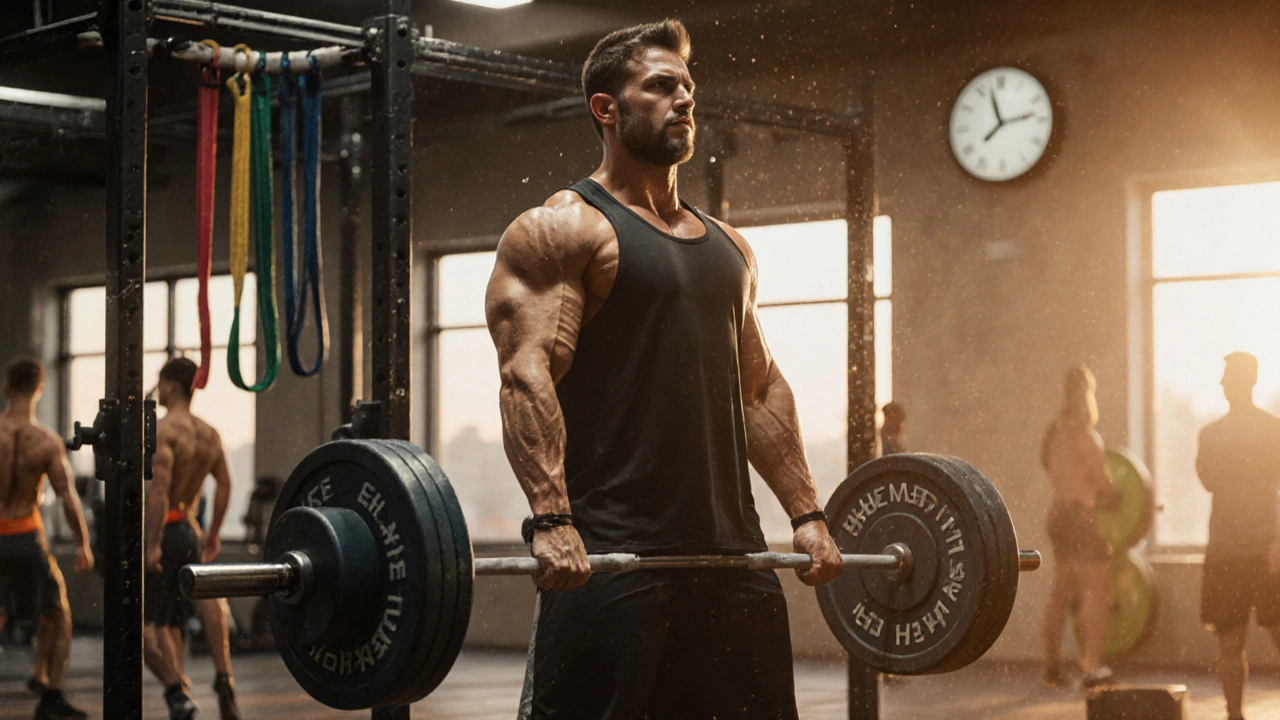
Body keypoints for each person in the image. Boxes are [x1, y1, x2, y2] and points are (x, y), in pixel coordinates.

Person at [485, 19, 842, 719]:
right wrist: (552, 519)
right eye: (660, 86)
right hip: (613, 560)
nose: (684, 100)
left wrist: (807, 515)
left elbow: (759, 391)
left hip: (733, 559)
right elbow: (527, 375)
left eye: (687, 87)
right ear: (606, 109)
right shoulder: (565, 228)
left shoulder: (730, 247)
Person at [143, 358, 241, 720]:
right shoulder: (209, 433)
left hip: (167, 529)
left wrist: (152, 543)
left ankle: (179, 693)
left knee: (154, 625)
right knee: (188, 611)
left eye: (161, 383)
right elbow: (225, 484)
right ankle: (223, 675)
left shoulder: (165, 430)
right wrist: (213, 532)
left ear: (171, 385)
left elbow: (159, 492)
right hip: (191, 530)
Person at [0, 358, 94, 720]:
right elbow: (68, 496)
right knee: (57, 615)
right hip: (27, 537)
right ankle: (52, 697)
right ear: (39, 390)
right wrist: (83, 544)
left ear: (7, 388)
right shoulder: (46, 441)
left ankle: (42, 682)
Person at [1196, 352, 1280, 720]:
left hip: (1265, 549)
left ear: (1246, 380)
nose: (1221, 382)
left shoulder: (1272, 430)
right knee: (1230, 642)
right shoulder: (1211, 435)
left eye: (1228, 375)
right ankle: (1234, 716)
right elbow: (1209, 481)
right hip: (1229, 550)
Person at [1039, 364, 1116, 689]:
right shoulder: (1088, 438)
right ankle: (1092, 668)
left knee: (1061, 593)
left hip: (1057, 516)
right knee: (1096, 592)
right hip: (1081, 517)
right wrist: (1113, 493)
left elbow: (1050, 468)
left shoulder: (1053, 435)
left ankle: (1052, 667)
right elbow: (1103, 484)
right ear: (1088, 393)